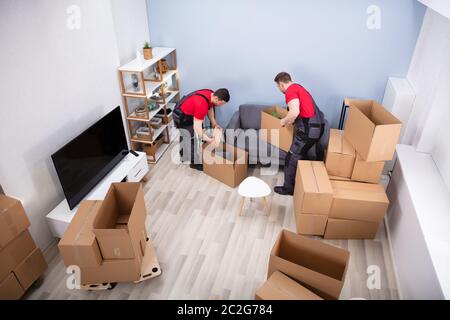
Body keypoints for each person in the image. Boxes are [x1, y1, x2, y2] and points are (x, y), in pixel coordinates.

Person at [273, 72, 326, 195]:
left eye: (278, 87)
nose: (279, 89)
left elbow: (294, 112)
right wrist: (293, 120)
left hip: (309, 130)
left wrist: (284, 121)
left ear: (281, 84)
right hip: (318, 126)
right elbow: (304, 110)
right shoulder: (299, 87)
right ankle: (302, 184)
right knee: (302, 155)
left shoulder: (290, 91)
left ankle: (288, 188)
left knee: (291, 157)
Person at [173, 88, 230, 171]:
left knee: (186, 135)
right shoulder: (201, 105)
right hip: (181, 116)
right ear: (216, 98)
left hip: (188, 111)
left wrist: (214, 123)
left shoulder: (211, 94)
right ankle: (194, 163)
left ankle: (183, 155)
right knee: (191, 138)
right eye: (221, 104)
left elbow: (210, 109)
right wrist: (209, 140)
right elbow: (197, 128)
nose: (221, 106)